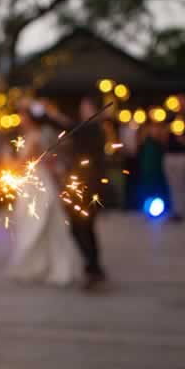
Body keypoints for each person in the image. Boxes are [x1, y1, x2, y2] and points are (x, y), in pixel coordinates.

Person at [7, 97, 80, 286]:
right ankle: (36, 265)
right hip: (30, 182)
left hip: (37, 182)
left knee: (39, 221)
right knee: (29, 220)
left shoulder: (36, 136)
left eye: (22, 115)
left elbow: (26, 161)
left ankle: (44, 264)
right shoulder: (27, 136)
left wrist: (9, 168)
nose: (20, 119)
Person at [67, 97, 107, 291]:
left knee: (82, 226)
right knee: (82, 227)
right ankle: (94, 266)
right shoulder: (87, 129)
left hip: (90, 187)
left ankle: (93, 266)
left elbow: (73, 130)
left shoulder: (93, 130)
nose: (83, 110)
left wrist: (51, 115)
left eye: (87, 107)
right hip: (82, 185)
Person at [163, 94, 185, 222]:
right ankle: (175, 210)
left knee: (182, 183)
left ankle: (182, 211)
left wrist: (184, 139)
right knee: (172, 183)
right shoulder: (170, 118)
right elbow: (163, 137)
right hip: (169, 154)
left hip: (182, 155)